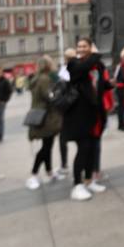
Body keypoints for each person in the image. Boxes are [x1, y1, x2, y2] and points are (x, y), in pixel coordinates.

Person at [63, 37, 110, 201]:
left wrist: (111, 84)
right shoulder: (74, 64)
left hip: (95, 114)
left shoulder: (97, 65)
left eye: (84, 46)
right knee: (83, 149)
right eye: (79, 46)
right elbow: (84, 68)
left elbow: (100, 84)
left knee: (91, 148)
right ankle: (77, 185)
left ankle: (89, 180)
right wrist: (96, 54)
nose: (81, 49)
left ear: (90, 47)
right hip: (79, 116)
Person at [26, 56, 64, 190]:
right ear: (48, 65)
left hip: (43, 116)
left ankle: (49, 172)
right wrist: (60, 91)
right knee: (45, 148)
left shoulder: (38, 78)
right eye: (51, 63)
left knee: (48, 145)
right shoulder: (44, 79)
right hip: (46, 117)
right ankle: (33, 175)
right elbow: (49, 96)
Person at [55, 48, 75, 179]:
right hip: (75, 108)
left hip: (66, 110)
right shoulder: (79, 69)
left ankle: (64, 165)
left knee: (63, 140)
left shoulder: (63, 72)